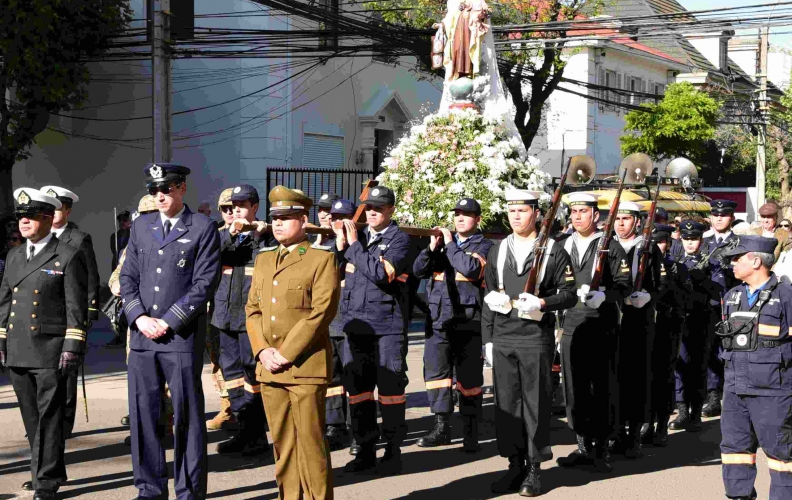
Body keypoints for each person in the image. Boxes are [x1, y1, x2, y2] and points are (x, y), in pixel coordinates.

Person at [120, 163, 221, 500]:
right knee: (143, 413)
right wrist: (138, 317)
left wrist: (170, 320)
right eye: (154, 191)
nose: (160, 196)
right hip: (143, 336)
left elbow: (204, 282)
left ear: (182, 189)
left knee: (187, 417)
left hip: (180, 336)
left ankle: (189, 490)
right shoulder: (141, 226)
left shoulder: (203, 227)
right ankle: (149, 488)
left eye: (167, 189)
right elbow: (128, 277)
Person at [479, 190, 576, 496]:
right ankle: (514, 464)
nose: (515, 216)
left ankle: (535, 468)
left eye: (521, 211)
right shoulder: (499, 249)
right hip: (505, 336)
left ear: (536, 213)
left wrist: (543, 302)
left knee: (535, 403)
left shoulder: (553, 251)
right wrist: (488, 340)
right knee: (506, 404)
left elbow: (570, 293)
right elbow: (490, 296)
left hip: (535, 338)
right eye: (511, 211)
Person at [245, 185, 339, 500]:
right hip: (269, 367)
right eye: (275, 218)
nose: (279, 223)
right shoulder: (264, 259)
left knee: (311, 444)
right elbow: (252, 310)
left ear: (303, 218)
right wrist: (262, 350)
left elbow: (320, 313)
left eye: (287, 217)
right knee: (283, 446)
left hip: (304, 366)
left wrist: (284, 353)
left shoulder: (320, 259)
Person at [0, 187, 88, 500]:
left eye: (31, 216)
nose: (23, 221)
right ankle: (46, 469)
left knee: (50, 417)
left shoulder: (67, 254)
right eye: (21, 216)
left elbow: (76, 307)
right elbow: (5, 301)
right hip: (18, 347)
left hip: (50, 348)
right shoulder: (13, 255)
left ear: (49, 219)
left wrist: (72, 346)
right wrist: (1, 339)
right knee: (31, 417)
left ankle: (46, 480)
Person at [335, 185, 411, 475]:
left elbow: (382, 273)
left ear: (391, 210)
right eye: (368, 208)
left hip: (386, 328)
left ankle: (393, 451)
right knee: (359, 393)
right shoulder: (360, 238)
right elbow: (337, 269)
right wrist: (342, 246)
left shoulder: (400, 241)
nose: (372, 212)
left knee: (391, 392)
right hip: (356, 327)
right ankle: (364, 448)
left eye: (378, 208)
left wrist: (353, 246)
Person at [556, 193, 631, 473]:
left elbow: (626, 284)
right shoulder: (562, 244)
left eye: (583, 211)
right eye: (573, 211)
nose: (577, 216)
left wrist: (605, 296)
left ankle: (601, 449)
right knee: (574, 388)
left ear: (595, 215)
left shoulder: (609, 246)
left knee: (601, 387)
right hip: (572, 322)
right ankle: (582, 445)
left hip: (601, 323)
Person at [413, 198, 493, 452]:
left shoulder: (485, 245)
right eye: (457, 214)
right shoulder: (442, 246)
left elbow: (471, 269)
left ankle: (471, 431)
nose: (460, 218)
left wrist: (449, 245)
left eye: (466, 214)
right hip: (438, 319)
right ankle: (441, 427)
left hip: (468, 321)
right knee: (437, 376)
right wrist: (430, 249)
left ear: (477, 219)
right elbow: (418, 271)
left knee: (469, 380)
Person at [718, 235, 792, 500]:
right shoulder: (732, 296)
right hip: (736, 388)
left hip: (774, 390)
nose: (732, 263)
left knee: (781, 454)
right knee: (735, 450)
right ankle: (739, 496)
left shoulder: (786, 295)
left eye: (738, 258)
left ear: (757, 261)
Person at [109, 195, 173, 444]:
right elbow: (118, 273)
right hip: (139, 320)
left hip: (168, 321)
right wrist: (117, 285)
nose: (148, 221)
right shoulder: (134, 244)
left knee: (166, 378)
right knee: (141, 377)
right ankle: (147, 431)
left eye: (152, 215)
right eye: (143, 216)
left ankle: (165, 426)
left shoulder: (176, 240)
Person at [212, 185, 271, 456]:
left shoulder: (267, 235)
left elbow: (268, 267)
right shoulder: (221, 235)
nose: (236, 209)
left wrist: (256, 236)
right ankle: (244, 431)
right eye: (232, 205)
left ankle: (257, 434)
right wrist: (234, 233)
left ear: (255, 207)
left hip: (250, 318)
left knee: (253, 375)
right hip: (223, 318)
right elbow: (209, 258)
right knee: (232, 376)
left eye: (242, 204)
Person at [40, 185, 100, 440]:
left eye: (57, 208)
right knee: (43, 373)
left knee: (65, 374)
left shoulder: (78, 238)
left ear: (67, 209)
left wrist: (88, 312)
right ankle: (45, 424)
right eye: (48, 209)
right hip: (42, 317)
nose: (53, 214)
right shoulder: (38, 238)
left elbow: (91, 278)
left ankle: (63, 425)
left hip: (69, 317)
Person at [611, 202, 661, 459]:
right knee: (615, 378)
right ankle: (616, 432)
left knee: (638, 379)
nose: (620, 223)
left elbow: (661, 284)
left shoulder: (648, 247)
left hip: (638, 320)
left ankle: (634, 436)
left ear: (637, 221)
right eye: (617, 218)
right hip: (613, 319)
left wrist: (648, 296)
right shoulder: (608, 245)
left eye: (626, 219)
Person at [642, 224, 689, 447]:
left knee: (663, 378)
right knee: (646, 378)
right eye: (653, 242)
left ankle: (661, 425)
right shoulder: (642, 267)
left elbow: (684, 301)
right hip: (646, 328)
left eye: (660, 242)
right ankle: (645, 424)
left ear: (669, 243)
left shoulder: (676, 269)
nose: (656, 247)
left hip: (667, 328)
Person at [669, 220, 718, 432]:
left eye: (694, 239)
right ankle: (682, 412)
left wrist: (703, 281)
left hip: (701, 319)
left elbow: (718, 292)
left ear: (701, 239)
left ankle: (696, 413)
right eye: (686, 239)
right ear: (680, 238)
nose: (690, 243)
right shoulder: (673, 260)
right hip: (679, 319)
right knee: (680, 368)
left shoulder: (711, 262)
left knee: (698, 367)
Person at [700, 200, 740, 419]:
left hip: (729, 305)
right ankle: (711, 395)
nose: (718, 218)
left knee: (726, 353)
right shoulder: (702, 241)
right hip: (703, 305)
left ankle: (725, 395)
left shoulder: (739, 242)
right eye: (715, 214)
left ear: (731, 217)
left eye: (723, 215)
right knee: (706, 352)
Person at [325, 198, 356, 451]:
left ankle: (357, 426)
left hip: (354, 319)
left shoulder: (361, 244)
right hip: (331, 319)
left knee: (354, 374)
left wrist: (348, 245)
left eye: (344, 217)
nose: (338, 222)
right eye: (334, 218)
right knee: (332, 375)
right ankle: (335, 425)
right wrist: (337, 245)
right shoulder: (325, 246)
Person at [206, 187, 237, 431]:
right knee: (218, 361)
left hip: (243, 308)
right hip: (215, 308)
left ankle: (242, 409)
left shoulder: (260, 232)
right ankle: (228, 407)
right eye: (225, 209)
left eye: (234, 208)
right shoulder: (214, 235)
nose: (230, 212)